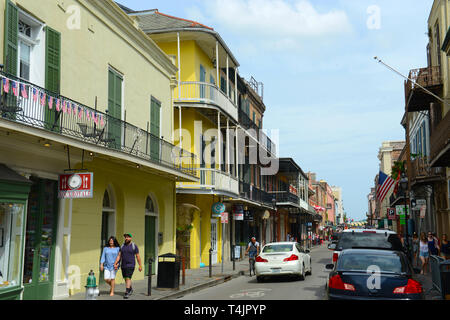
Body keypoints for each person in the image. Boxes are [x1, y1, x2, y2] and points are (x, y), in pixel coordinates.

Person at [114, 233, 142, 299]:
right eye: (125, 237)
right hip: (123, 265)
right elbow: (119, 255)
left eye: (128, 237)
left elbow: (138, 256)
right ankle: (130, 288)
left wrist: (140, 265)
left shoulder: (134, 246)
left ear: (131, 238)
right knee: (126, 278)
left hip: (131, 265)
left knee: (128, 277)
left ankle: (127, 292)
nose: (126, 238)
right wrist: (115, 263)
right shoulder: (122, 246)